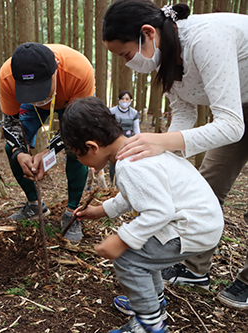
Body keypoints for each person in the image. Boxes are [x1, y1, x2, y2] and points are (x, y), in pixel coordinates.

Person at [103, 0, 248, 309]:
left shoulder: (206, 39)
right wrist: (162, 157)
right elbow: (183, 115)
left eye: (126, 54)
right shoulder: (166, 56)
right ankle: (195, 268)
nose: (127, 63)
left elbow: (231, 125)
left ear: (148, 33)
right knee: (207, 186)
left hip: (234, 113)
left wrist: (163, 143)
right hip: (236, 107)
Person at [62, 97, 223, 333]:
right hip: (199, 221)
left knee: (129, 259)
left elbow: (160, 211)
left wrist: (122, 239)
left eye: (78, 154)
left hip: (191, 227)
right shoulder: (135, 149)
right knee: (145, 253)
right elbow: (134, 195)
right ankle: (152, 302)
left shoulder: (130, 165)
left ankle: (149, 324)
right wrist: (99, 211)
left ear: (92, 147)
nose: (80, 160)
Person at [0, 42, 95, 242]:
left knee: (77, 146)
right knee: (12, 147)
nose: (37, 99)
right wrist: (20, 152)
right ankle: (35, 205)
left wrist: (50, 150)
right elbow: (10, 122)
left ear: (55, 71)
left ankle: (72, 212)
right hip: (28, 109)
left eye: (40, 90)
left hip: (70, 101)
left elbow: (78, 126)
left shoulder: (79, 70)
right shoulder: (7, 75)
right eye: (30, 91)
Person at [109, 91, 140, 183]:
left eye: (127, 99)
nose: (124, 101)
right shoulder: (112, 111)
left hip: (128, 140)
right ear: (119, 100)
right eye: (122, 99)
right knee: (114, 162)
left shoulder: (134, 113)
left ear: (131, 100)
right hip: (115, 140)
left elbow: (136, 129)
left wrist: (138, 141)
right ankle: (113, 183)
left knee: (127, 162)